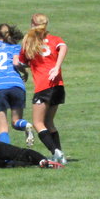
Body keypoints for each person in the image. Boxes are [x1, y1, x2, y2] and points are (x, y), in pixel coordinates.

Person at [14, 13, 69, 164]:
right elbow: (63, 47)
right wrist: (57, 67)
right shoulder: (54, 39)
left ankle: (56, 152)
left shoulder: (29, 41)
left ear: (32, 24)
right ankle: (60, 156)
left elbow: (21, 62)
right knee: (49, 122)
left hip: (43, 86)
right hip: (58, 85)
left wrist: (17, 63)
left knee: (38, 123)